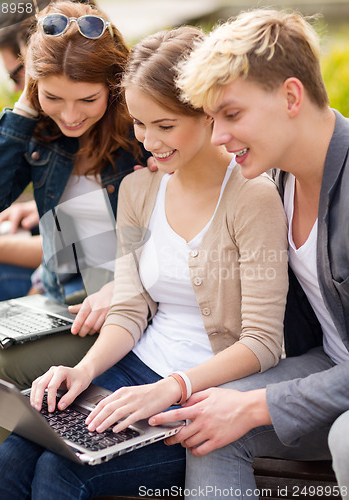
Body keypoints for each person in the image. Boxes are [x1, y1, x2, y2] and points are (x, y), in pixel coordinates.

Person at [0, 25, 288, 499]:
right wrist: (83, 372)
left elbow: (263, 343)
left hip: (204, 393)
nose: (148, 142)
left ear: (208, 115)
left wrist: (171, 388)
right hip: (132, 369)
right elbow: (130, 306)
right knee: (19, 449)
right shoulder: (140, 189)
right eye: (140, 125)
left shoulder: (252, 197)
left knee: (59, 477)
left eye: (165, 126)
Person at [148, 9, 349, 499]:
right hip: (328, 365)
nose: (218, 137)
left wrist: (260, 406)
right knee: (210, 419)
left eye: (232, 115)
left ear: (291, 96)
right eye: (213, 119)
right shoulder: (274, 180)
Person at [0, 0, 148, 445]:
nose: (69, 115)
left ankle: (30, 468)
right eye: (53, 97)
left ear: (114, 85)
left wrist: (123, 289)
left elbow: (177, 236)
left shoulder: (142, 137)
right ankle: (10, 473)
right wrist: (27, 109)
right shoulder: (44, 136)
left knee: (6, 369)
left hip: (127, 307)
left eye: (87, 99)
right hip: (66, 299)